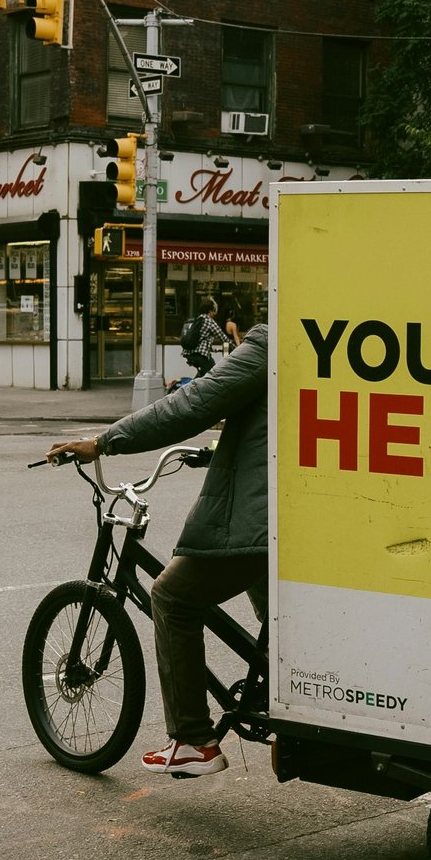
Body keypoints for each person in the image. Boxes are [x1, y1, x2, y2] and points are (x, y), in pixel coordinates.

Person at [43, 324, 269, 777]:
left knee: (172, 596)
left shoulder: (273, 340)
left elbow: (193, 402)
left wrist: (104, 442)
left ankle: (193, 740)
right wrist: (218, 449)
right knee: (281, 616)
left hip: (265, 513)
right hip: (299, 510)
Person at [180, 301, 224, 379]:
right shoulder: (209, 321)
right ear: (210, 311)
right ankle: (193, 386)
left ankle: (194, 385)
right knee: (213, 374)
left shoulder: (198, 319)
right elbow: (222, 336)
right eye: (214, 311)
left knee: (204, 374)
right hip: (200, 355)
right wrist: (235, 346)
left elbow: (200, 339)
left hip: (189, 353)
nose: (215, 314)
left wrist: (213, 349)